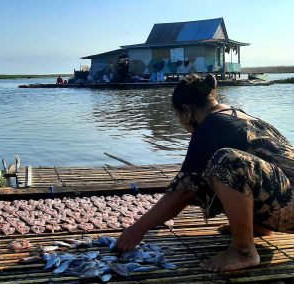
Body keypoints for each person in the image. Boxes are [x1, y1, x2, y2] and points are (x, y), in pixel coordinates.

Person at [115, 73, 294, 272]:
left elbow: (183, 191)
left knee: (226, 162)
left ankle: (243, 250)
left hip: (289, 206)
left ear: (186, 112)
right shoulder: (238, 115)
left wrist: (138, 229)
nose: (180, 123)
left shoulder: (210, 126)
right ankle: (258, 227)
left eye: (178, 116)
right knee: (209, 171)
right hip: (285, 198)